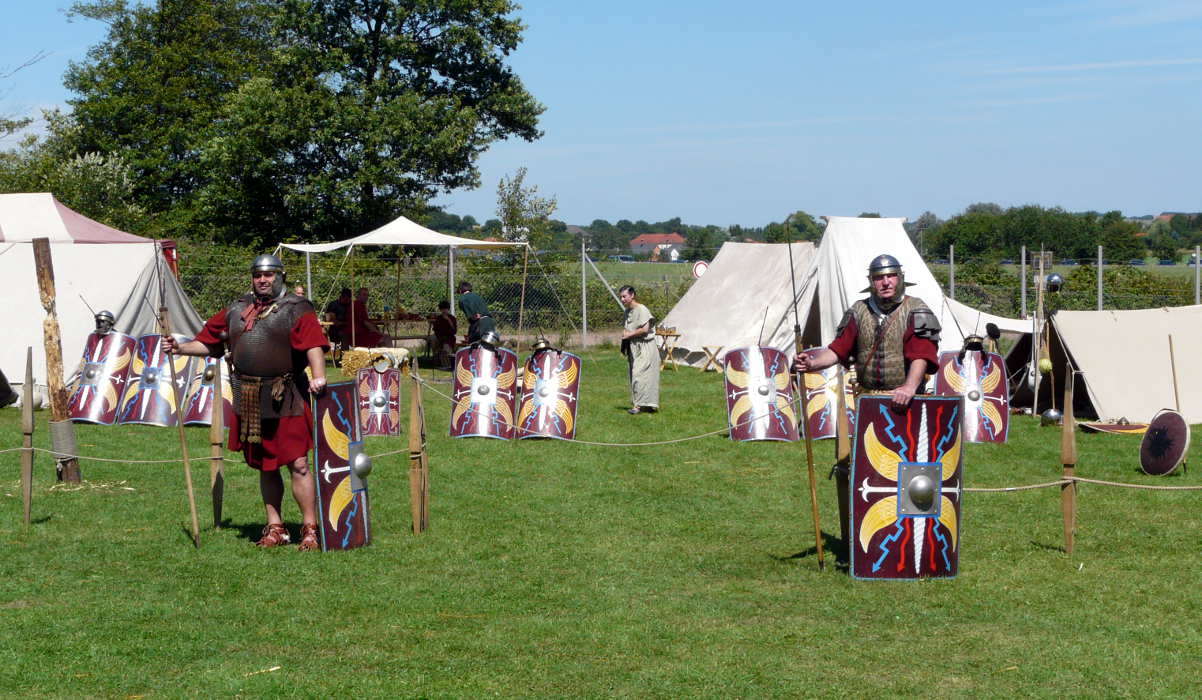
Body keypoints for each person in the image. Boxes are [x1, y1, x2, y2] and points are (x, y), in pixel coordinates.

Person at [163, 254, 329, 551]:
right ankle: (276, 527)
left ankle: (310, 528)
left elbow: (314, 343)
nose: (262, 280)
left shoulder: (296, 307)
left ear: (280, 276)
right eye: (257, 275)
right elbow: (210, 343)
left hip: (286, 394)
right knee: (266, 465)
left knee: (299, 463)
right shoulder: (237, 309)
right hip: (250, 395)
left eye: (268, 274)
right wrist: (181, 347)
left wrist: (318, 376)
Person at [792, 254, 940, 555]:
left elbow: (921, 354)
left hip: (908, 405)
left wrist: (910, 387)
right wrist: (811, 362)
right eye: (878, 278)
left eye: (890, 276)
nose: (885, 283)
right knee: (870, 476)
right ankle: (870, 544)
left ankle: (911, 543)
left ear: (900, 278)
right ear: (871, 282)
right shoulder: (858, 311)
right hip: (869, 404)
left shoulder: (917, 309)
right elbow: (837, 351)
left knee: (911, 476)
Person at [619, 285, 660, 414]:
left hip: (646, 346)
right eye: (621, 296)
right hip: (634, 347)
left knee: (640, 375)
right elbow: (627, 328)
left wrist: (629, 335)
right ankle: (645, 404)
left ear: (632, 295)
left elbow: (644, 329)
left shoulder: (642, 309)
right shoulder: (627, 312)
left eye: (624, 296)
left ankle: (639, 406)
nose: (622, 299)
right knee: (635, 375)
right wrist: (625, 339)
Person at [430, 299, 458, 368]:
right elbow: (435, 330)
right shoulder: (439, 318)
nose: (444, 311)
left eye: (445, 309)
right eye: (442, 309)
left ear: (448, 309)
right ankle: (435, 358)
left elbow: (454, 331)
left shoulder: (452, 318)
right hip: (440, 337)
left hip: (449, 338)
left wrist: (448, 320)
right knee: (432, 338)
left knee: (446, 350)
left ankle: (447, 364)